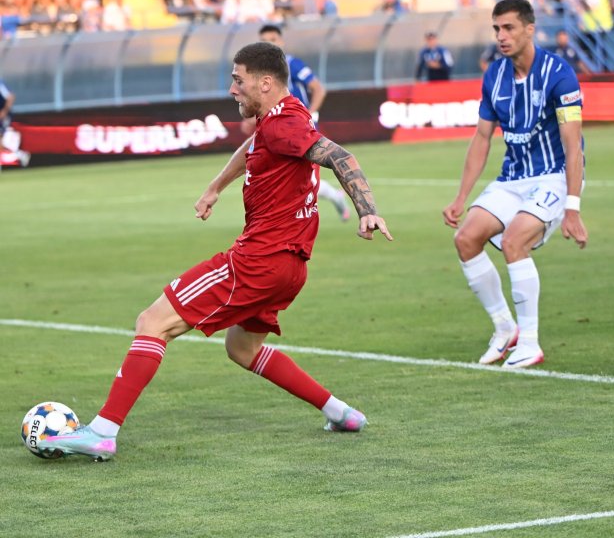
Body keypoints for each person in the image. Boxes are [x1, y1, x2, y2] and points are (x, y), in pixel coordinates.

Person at [38, 41, 393, 461]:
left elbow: (340, 156)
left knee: (152, 321)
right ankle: (341, 413)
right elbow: (254, 147)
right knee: (241, 348)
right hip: (291, 267)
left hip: (257, 262)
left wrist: (367, 210)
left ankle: (102, 432)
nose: (232, 89)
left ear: (264, 83)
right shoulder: (286, 113)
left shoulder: (282, 126)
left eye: (238, 80)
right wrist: (215, 187)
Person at [442, 0, 588, 369]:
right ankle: (505, 328)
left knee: (513, 241)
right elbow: (482, 138)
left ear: (529, 29)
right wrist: (461, 197)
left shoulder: (559, 73)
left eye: (508, 28)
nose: (501, 36)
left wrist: (573, 207)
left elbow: (574, 145)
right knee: (466, 238)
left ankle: (531, 343)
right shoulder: (494, 75)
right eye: (496, 29)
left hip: (553, 176)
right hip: (513, 178)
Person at [257, 24, 351, 222]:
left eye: (272, 39)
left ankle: (330, 199)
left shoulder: (292, 64)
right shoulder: (260, 72)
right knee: (288, 179)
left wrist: (309, 114)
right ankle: (332, 198)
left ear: (281, 42)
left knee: (301, 180)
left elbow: (318, 89)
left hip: (300, 131)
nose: (268, 44)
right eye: (264, 40)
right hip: (275, 132)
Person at [0, 78, 29, 167]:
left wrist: (4, 112)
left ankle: (20, 155)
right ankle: (20, 154)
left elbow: (11, 97)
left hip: (5, 116)